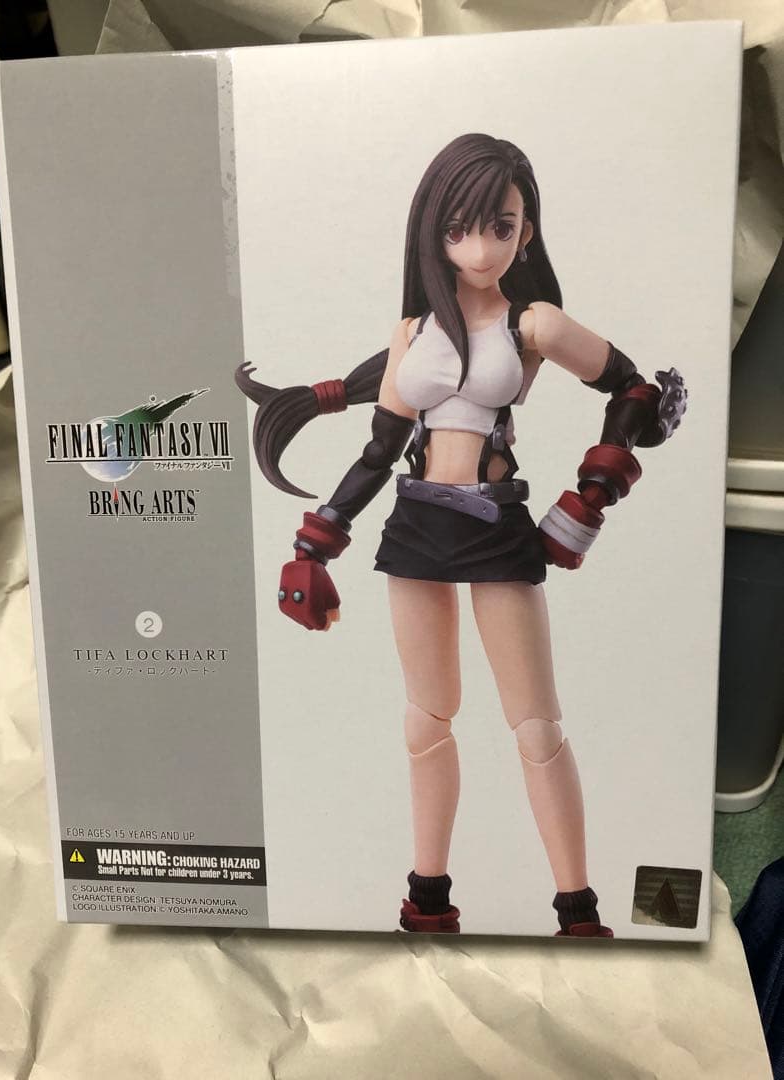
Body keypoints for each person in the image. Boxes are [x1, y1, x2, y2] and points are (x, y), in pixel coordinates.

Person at [236, 133, 686, 936]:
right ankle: (429, 895)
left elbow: (633, 390)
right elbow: (379, 450)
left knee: (536, 726)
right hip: (415, 523)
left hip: (495, 524)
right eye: (460, 229)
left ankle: (577, 908)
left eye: (500, 228)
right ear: (433, 232)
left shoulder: (533, 324)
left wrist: (594, 492)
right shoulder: (413, 332)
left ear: (526, 230)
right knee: (427, 718)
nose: (480, 250)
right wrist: (314, 545)